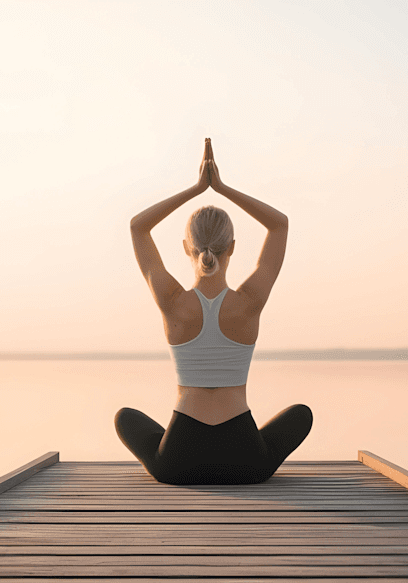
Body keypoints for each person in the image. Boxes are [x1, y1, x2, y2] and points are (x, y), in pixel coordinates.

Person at [115, 139, 313, 485]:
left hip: (177, 461)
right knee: (302, 415)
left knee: (124, 418)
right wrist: (221, 188)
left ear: (186, 248)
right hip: (247, 460)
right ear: (232, 248)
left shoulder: (172, 300)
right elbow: (279, 225)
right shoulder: (249, 300)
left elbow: (137, 227)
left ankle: (174, 450)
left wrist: (196, 189)